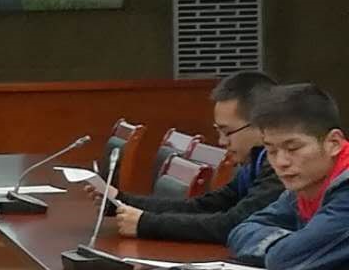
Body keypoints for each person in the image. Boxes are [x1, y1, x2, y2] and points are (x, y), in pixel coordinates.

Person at [108, 72, 282, 242]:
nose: (222, 142)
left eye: (228, 132)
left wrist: (146, 224)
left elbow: (233, 224)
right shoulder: (253, 163)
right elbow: (205, 206)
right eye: (219, 131)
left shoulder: (279, 169)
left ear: (262, 125)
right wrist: (119, 200)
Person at [228, 84, 349, 270]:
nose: (281, 162)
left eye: (293, 148)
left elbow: (283, 262)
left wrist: (286, 248)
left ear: (334, 143)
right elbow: (240, 232)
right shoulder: (306, 186)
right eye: (271, 150)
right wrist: (289, 244)